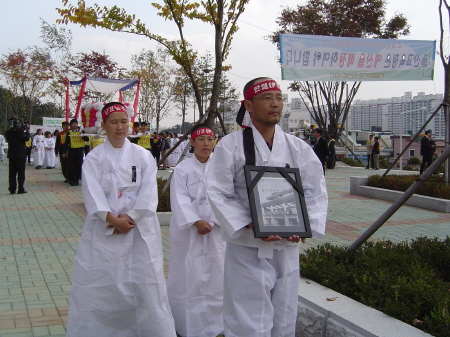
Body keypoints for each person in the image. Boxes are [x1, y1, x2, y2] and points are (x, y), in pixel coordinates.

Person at [207, 77, 328, 337]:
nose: (275, 104)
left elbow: (315, 191)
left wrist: (304, 225)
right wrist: (249, 222)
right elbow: (218, 191)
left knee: (285, 313)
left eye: (279, 98)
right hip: (247, 246)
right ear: (248, 105)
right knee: (245, 315)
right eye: (267, 98)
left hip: (287, 245)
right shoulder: (230, 146)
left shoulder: (298, 148)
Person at [66, 102, 176, 337]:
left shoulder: (143, 155)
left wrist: (130, 216)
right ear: (103, 125)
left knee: (144, 281)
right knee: (104, 282)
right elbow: (92, 193)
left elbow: (148, 192)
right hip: (104, 229)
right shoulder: (94, 158)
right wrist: (111, 218)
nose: (120, 127)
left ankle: (148, 330)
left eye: (124, 121)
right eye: (113, 122)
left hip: (139, 228)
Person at [168, 124, 225, 337]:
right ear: (192, 142)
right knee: (187, 275)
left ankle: (216, 325)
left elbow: (225, 197)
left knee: (216, 274)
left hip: (215, 230)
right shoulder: (182, 169)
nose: (206, 144)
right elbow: (180, 198)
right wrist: (196, 221)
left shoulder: (220, 168)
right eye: (201, 140)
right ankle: (186, 325)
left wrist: (211, 220)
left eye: (210, 140)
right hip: (189, 231)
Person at [5, 118, 31, 194]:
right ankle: (21, 188)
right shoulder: (21, 133)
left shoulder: (7, 133)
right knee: (21, 173)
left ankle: (12, 189)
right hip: (21, 155)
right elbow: (27, 138)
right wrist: (27, 130)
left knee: (12, 173)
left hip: (12, 155)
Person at [63, 119, 88, 186]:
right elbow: (66, 143)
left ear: (77, 124)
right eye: (72, 123)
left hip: (79, 150)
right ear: (71, 125)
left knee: (79, 165)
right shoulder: (69, 132)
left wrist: (82, 135)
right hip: (72, 150)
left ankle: (80, 178)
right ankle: (74, 180)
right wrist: (64, 152)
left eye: (75, 123)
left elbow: (87, 139)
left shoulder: (81, 131)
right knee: (72, 166)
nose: (74, 125)